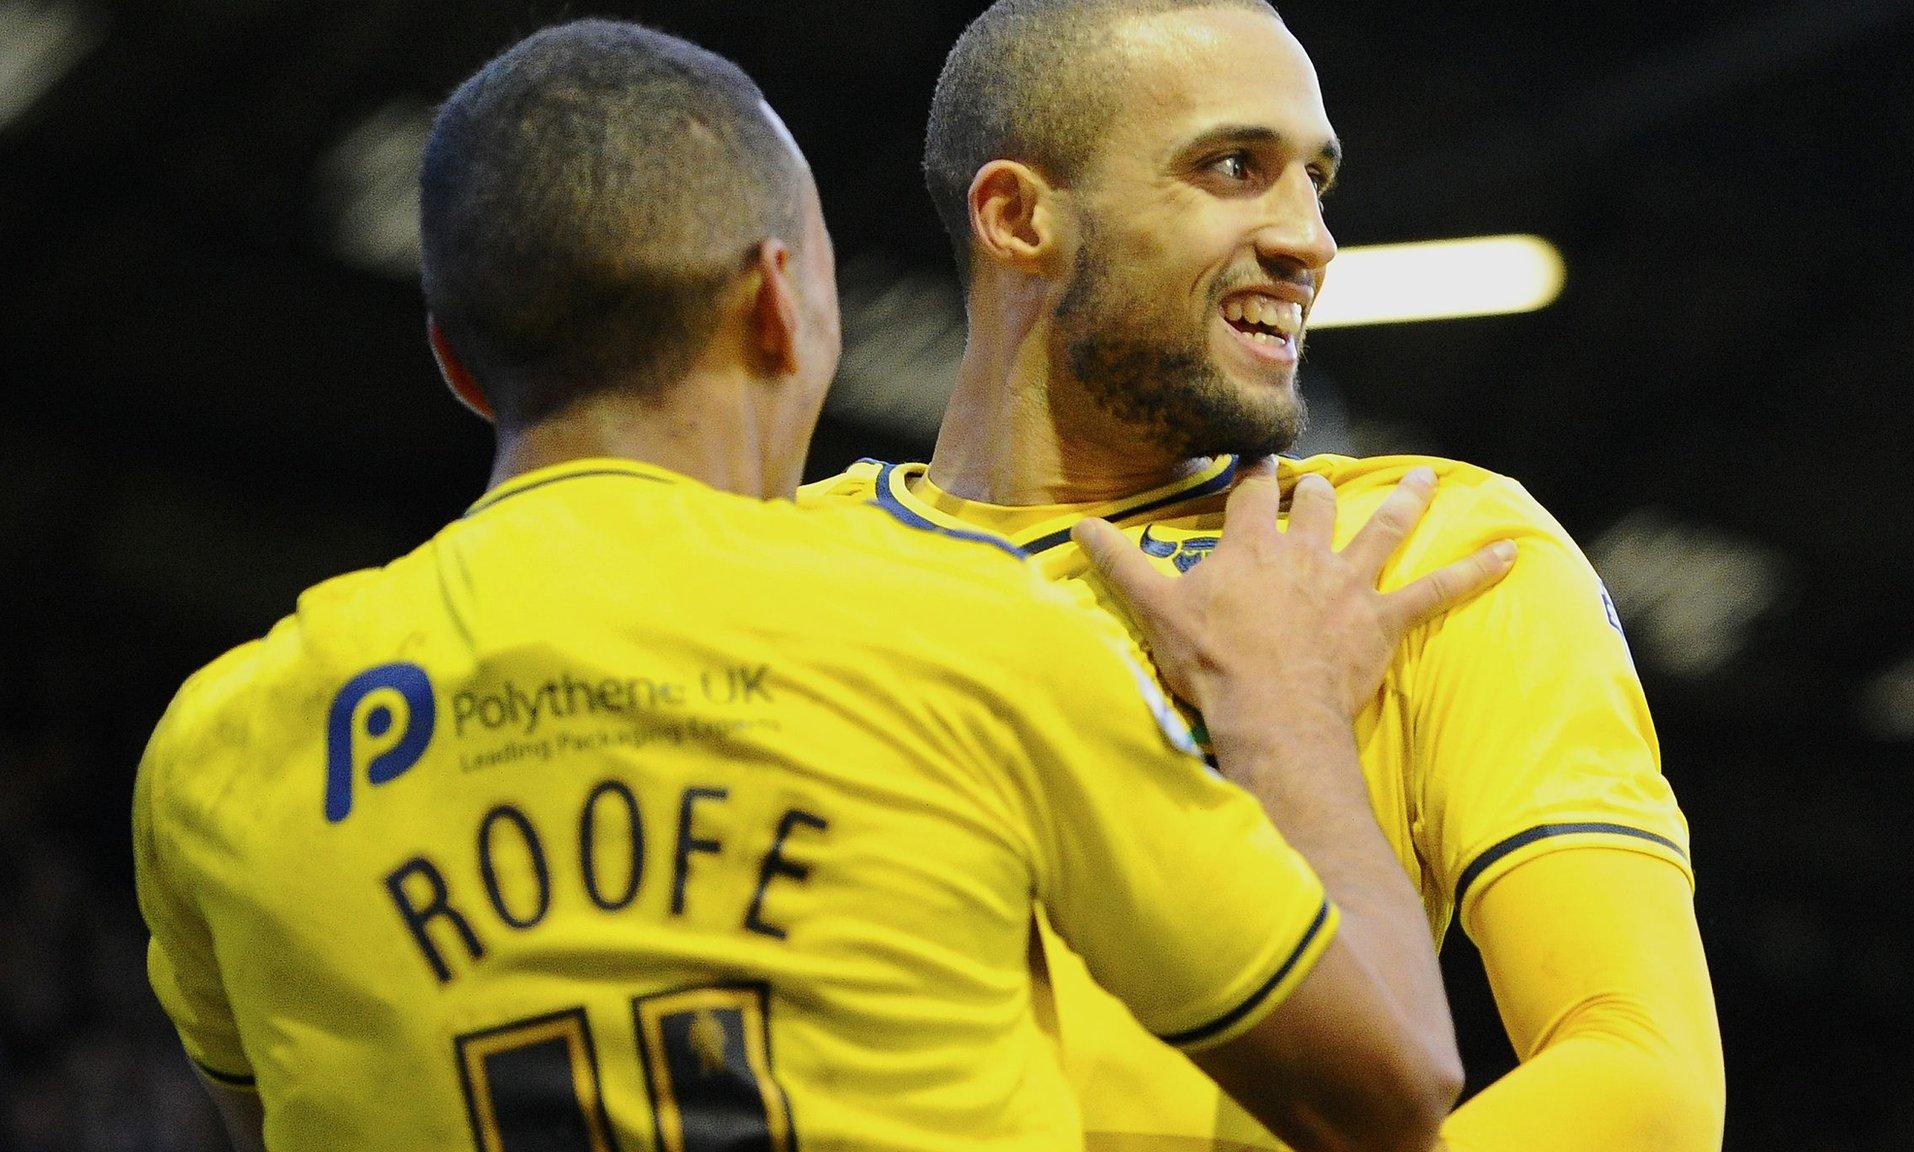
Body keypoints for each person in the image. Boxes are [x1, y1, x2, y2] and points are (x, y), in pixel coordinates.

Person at [133, 19, 1518, 1152]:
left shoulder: (221, 750)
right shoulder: (970, 638)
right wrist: (1282, 715)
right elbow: (1385, 1091)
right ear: (780, 305)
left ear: (457, 362)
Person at [799, 1, 1726, 1148]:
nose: (1310, 239)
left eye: (1314, 182)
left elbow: (1644, 1081)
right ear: (1017, 217)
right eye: (1235, 167)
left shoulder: (1432, 547)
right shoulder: (765, 565)